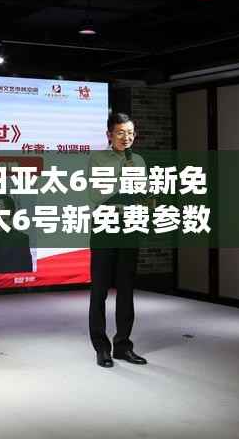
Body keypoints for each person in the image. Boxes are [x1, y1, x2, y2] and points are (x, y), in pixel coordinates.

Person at [88, 112, 149, 368]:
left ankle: (123, 345)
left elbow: (142, 193)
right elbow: (97, 194)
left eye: (130, 133)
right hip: (105, 223)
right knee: (100, 289)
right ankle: (102, 348)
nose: (127, 137)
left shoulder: (138, 160)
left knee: (126, 288)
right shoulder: (97, 158)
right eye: (121, 132)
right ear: (109, 135)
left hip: (130, 224)